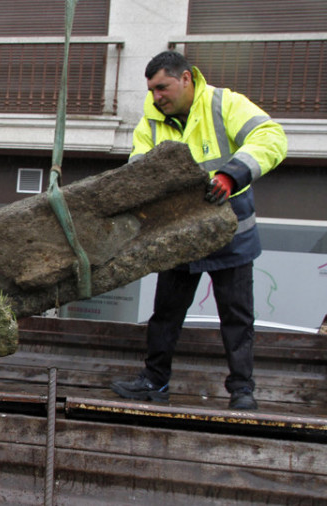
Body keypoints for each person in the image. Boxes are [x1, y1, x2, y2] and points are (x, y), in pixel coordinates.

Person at [110, 51, 287, 411]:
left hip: (231, 235)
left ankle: (241, 390)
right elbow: (138, 168)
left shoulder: (225, 104)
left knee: (237, 318)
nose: (157, 96)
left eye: (163, 87)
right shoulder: (151, 121)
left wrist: (231, 174)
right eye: (152, 90)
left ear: (186, 78)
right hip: (180, 236)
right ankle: (154, 382)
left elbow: (271, 137)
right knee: (166, 315)